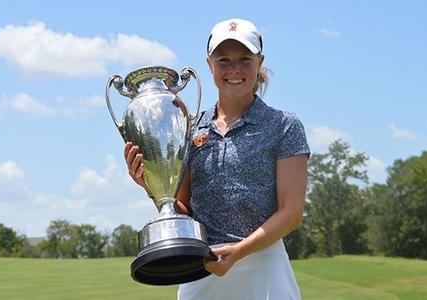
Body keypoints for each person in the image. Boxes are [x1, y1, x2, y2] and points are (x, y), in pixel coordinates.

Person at [124, 18, 310, 300]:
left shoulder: (283, 125)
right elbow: (182, 209)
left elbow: (291, 213)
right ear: (209, 64)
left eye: (245, 59)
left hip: (265, 268)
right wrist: (152, 186)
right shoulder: (189, 126)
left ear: (260, 62)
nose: (234, 69)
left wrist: (239, 251)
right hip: (202, 267)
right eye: (224, 60)